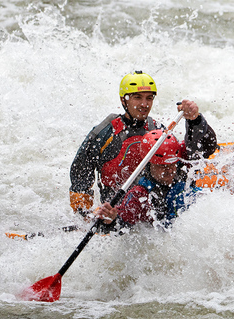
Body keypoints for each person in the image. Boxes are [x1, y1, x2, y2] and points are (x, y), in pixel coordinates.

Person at [69, 70, 217, 217]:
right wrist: (84, 215)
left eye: (149, 98)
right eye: (137, 98)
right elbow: (81, 171)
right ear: (123, 100)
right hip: (115, 213)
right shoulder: (103, 133)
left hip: (150, 210)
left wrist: (195, 121)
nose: (144, 104)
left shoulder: (158, 131)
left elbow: (194, 155)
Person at [94, 130, 200, 228]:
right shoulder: (140, 194)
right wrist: (112, 219)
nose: (169, 170)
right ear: (148, 165)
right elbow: (125, 218)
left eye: (172, 164)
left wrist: (195, 120)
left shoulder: (184, 168)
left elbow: (203, 145)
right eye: (162, 166)